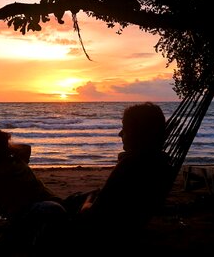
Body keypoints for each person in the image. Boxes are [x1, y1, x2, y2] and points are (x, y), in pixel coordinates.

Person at [64, 102, 175, 255]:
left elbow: (92, 217)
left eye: (125, 129)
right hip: (129, 228)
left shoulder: (130, 165)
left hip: (102, 235)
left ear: (138, 133)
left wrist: (89, 200)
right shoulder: (162, 164)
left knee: (50, 208)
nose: (120, 134)